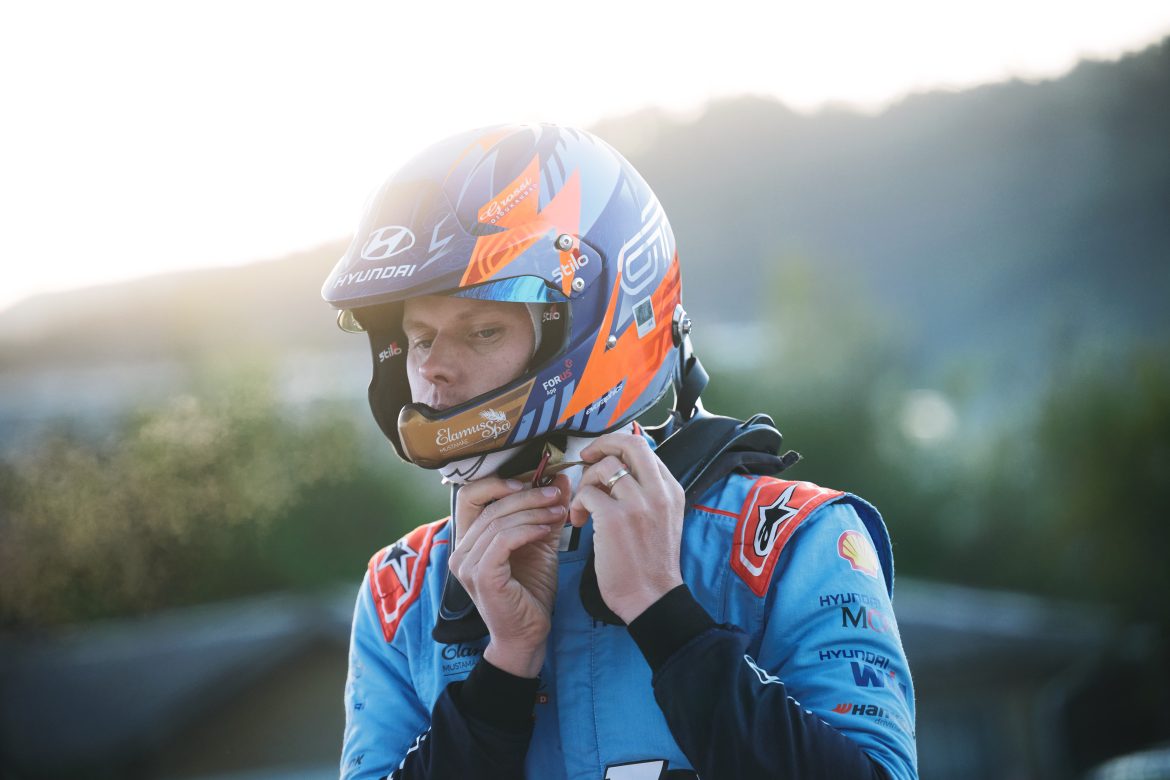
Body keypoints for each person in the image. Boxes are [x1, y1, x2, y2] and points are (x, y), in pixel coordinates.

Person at [322, 124, 918, 779]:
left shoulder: (789, 541)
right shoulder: (402, 590)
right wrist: (504, 667)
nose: (434, 368)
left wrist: (666, 615)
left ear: (590, 321)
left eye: (483, 330)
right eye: (420, 337)